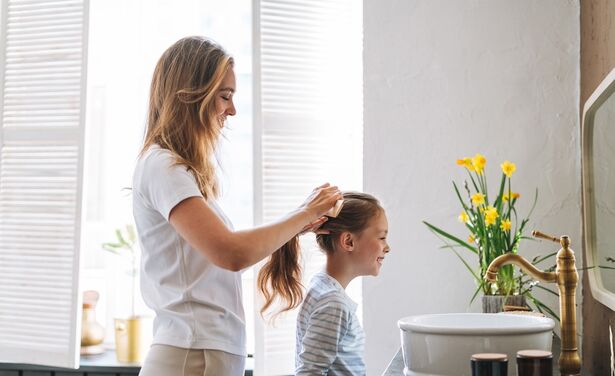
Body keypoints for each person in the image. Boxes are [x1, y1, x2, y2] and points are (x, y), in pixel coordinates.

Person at [132, 36, 342, 376]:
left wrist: (297, 225)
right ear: (191, 96)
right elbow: (230, 254)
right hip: (192, 353)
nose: (232, 109)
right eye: (225, 96)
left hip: (200, 351)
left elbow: (214, 262)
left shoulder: (179, 171)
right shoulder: (164, 167)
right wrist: (304, 211)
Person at [258, 192, 390, 375]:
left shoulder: (321, 286)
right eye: (382, 237)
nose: (387, 247)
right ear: (348, 241)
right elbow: (310, 372)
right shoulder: (333, 303)